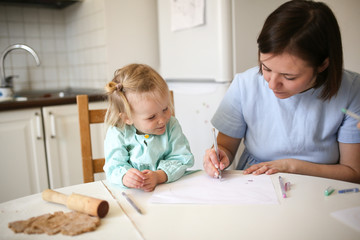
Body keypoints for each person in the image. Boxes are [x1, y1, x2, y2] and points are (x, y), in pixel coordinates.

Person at [203, 0, 360, 183]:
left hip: (323, 184)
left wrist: (290, 166)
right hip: (255, 182)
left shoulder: (352, 90)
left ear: (322, 65)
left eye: (289, 77)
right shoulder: (245, 84)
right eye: (266, 68)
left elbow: (353, 172)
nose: (272, 85)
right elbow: (225, 146)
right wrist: (218, 156)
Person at [104, 63, 194, 191]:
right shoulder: (118, 132)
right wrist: (125, 176)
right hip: (131, 195)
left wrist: (158, 176)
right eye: (151, 117)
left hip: (168, 191)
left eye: (165, 109)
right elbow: (113, 165)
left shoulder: (171, 125)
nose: (162, 120)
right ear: (127, 118)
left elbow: (181, 158)